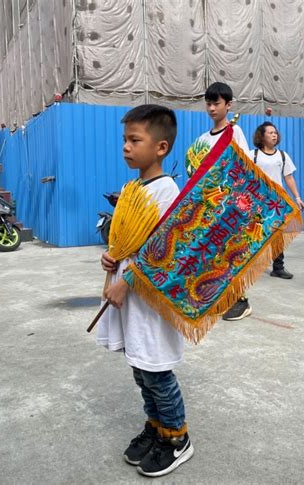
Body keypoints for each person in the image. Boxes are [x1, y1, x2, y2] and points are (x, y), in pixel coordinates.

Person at [97, 104, 194, 478]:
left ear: (161, 148)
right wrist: (111, 258)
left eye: (134, 140)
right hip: (129, 294)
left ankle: (177, 437)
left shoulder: (167, 191)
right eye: (124, 139)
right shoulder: (133, 188)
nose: (125, 147)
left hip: (150, 297)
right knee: (140, 368)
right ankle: (156, 428)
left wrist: (126, 281)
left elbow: (165, 254)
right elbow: (126, 239)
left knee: (157, 370)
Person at [185, 81, 253, 321]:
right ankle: (220, 296)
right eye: (209, 103)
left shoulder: (234, 133)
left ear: (229, 105)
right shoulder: (203, 138)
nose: (212, 108)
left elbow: (243, 167)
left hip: (227, 205)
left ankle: (241, 300)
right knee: (212, 252)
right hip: (206, 205)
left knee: (231, 252)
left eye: (217, 103)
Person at [252, 122, 304, 279]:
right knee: (253, 234)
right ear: (261, 136)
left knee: (277, 234)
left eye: (275, 132)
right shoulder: (253, 155)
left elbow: (288, 177)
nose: (274, 135)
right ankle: (246, 267)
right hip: (257, 201)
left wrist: (297, 197)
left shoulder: (282, 156)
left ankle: (278, 267)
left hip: (276, 203)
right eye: (270, 133)